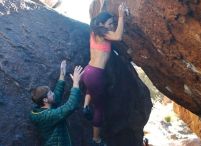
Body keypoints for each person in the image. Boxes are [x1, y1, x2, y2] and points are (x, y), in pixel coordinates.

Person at [82, 1, 128, 146]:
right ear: (102, 24)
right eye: (110, 23)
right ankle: (96, 139)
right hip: (96, 74)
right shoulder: (103, 32)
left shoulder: (94, 30)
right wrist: (121, 16)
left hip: (88, 71)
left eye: (113, 23)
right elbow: (118, 36)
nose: (112, 26)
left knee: (91, 89)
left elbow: (98, 16)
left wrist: (103, 5)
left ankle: (85, 106)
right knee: (100, 108)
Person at [30, 60, 84, 146]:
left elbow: (57, 94)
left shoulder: (45, 108)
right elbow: (70, 106)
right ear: (45, 100)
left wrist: (62, 74)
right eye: (50, 93)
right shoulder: (47, 116)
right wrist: (76, 83)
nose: (53, 93)